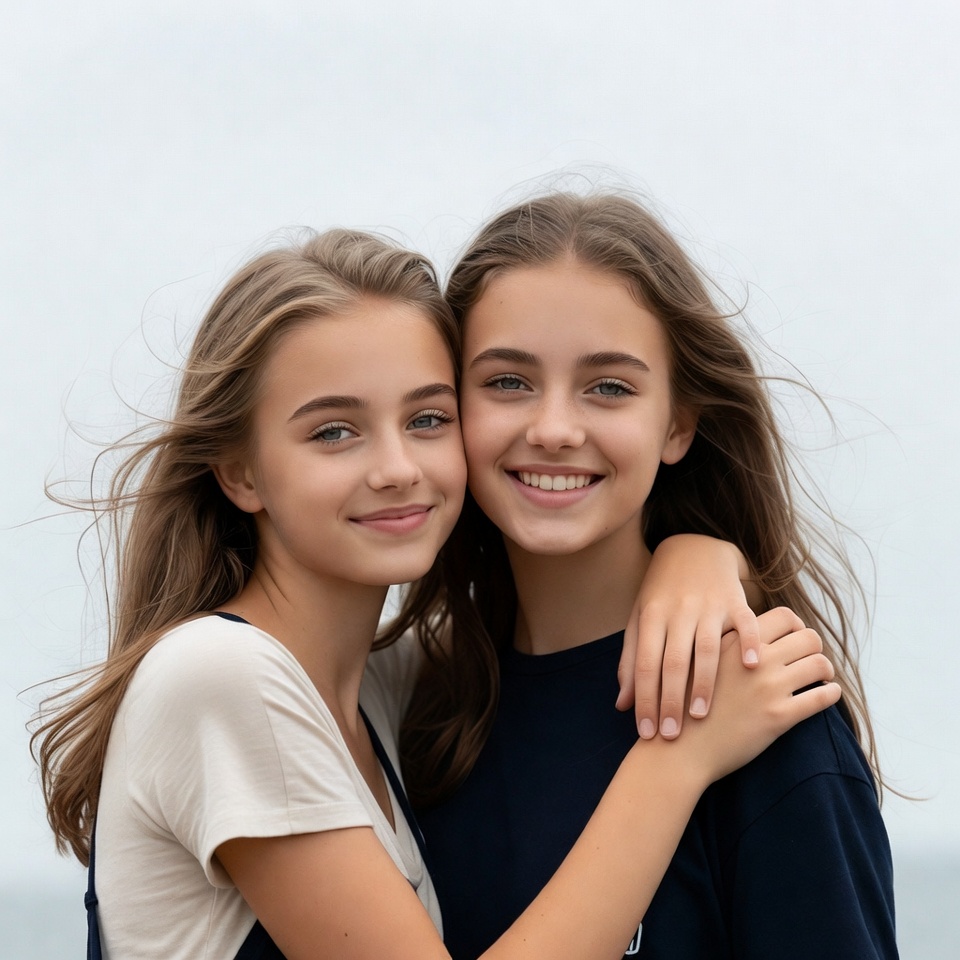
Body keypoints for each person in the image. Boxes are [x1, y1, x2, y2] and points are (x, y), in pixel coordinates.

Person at [30, 228, 840, 960]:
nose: (396, 468)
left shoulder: (392, 697)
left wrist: (701, 557)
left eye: (425, 419)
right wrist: (677, 758)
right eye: (333, 432)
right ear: (241, 472)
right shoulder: (222, 678)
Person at [390, 193, 899, 959]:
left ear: (678, 424)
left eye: (610, 388)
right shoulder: (419, 715)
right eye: (506, 382)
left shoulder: (762, 714)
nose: (554, 428)